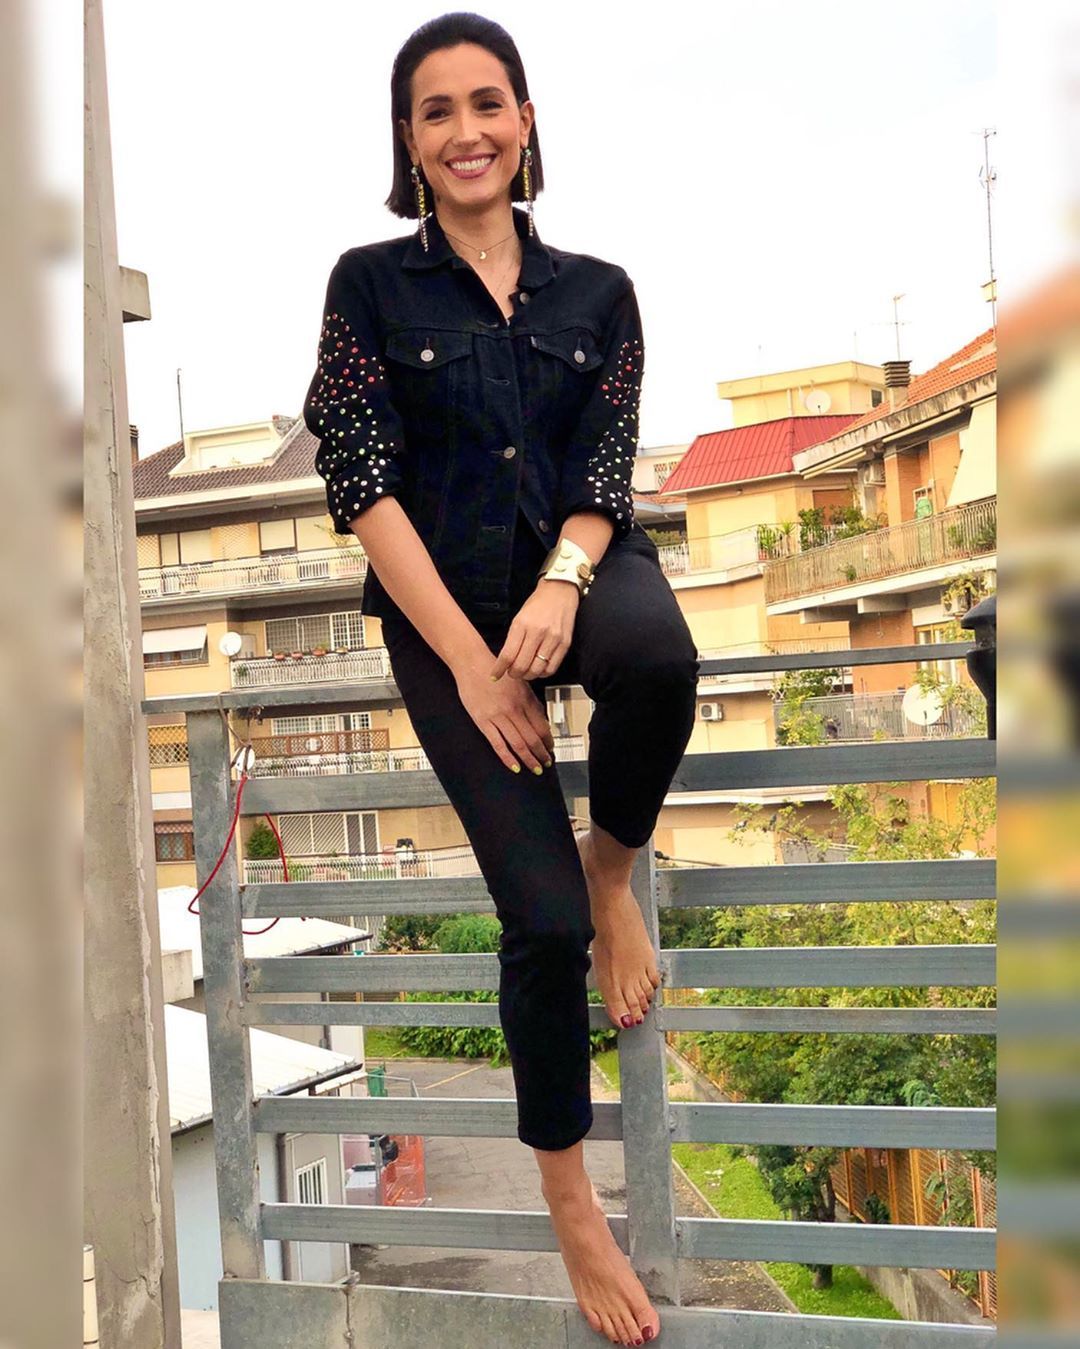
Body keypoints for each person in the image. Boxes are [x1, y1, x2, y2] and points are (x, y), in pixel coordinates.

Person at [303, 13, 699, 1345]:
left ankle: (613, 867)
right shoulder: (368, 287)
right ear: (409, 141)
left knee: (659, 658)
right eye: (437, 111)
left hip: (576, 572)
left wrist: (562, 585)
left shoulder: (602, 293)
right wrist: (475, 666)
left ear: (526, 122)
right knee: (538, 924)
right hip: (444, 616)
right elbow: (362, 484)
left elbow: (603, 468)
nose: (466, 131)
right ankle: (575, 1207)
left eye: (488, 103)